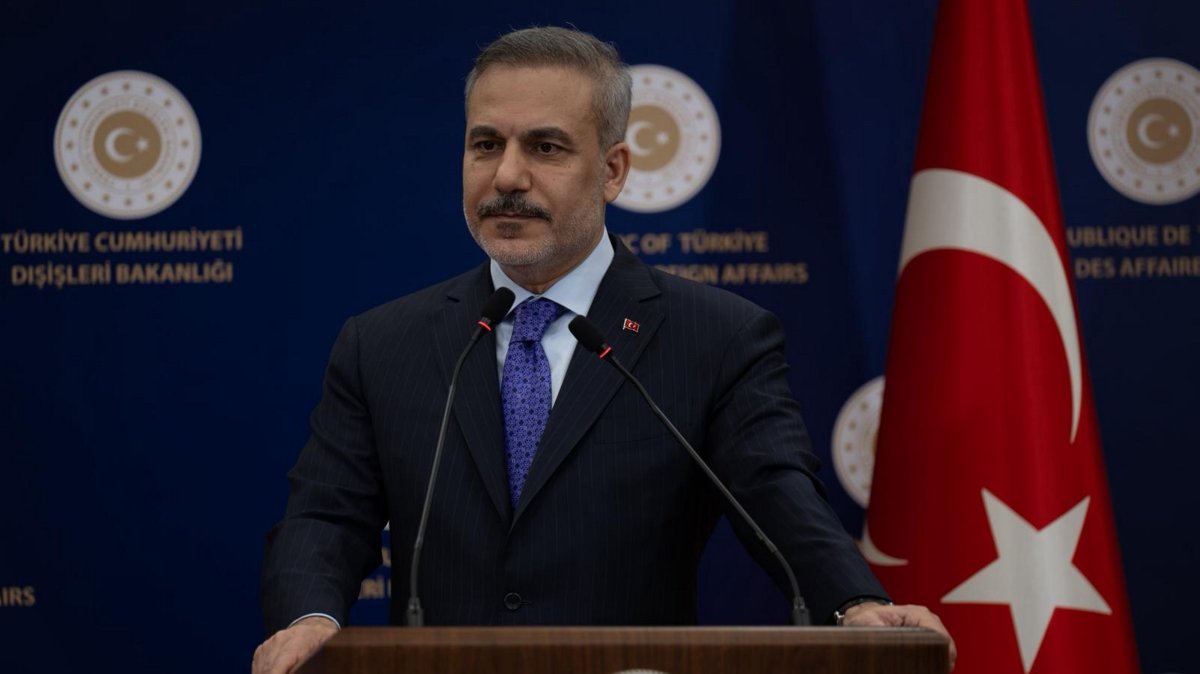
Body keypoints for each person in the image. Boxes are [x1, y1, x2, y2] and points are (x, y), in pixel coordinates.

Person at [253, 25, 955, 674]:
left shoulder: (714, 336)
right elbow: (326, 514)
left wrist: (853, 604)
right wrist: (310, 614)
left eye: (546, 147)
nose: (506, 177)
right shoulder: (384, 343)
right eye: (486, 144)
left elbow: (777, 496)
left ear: (614, 170)